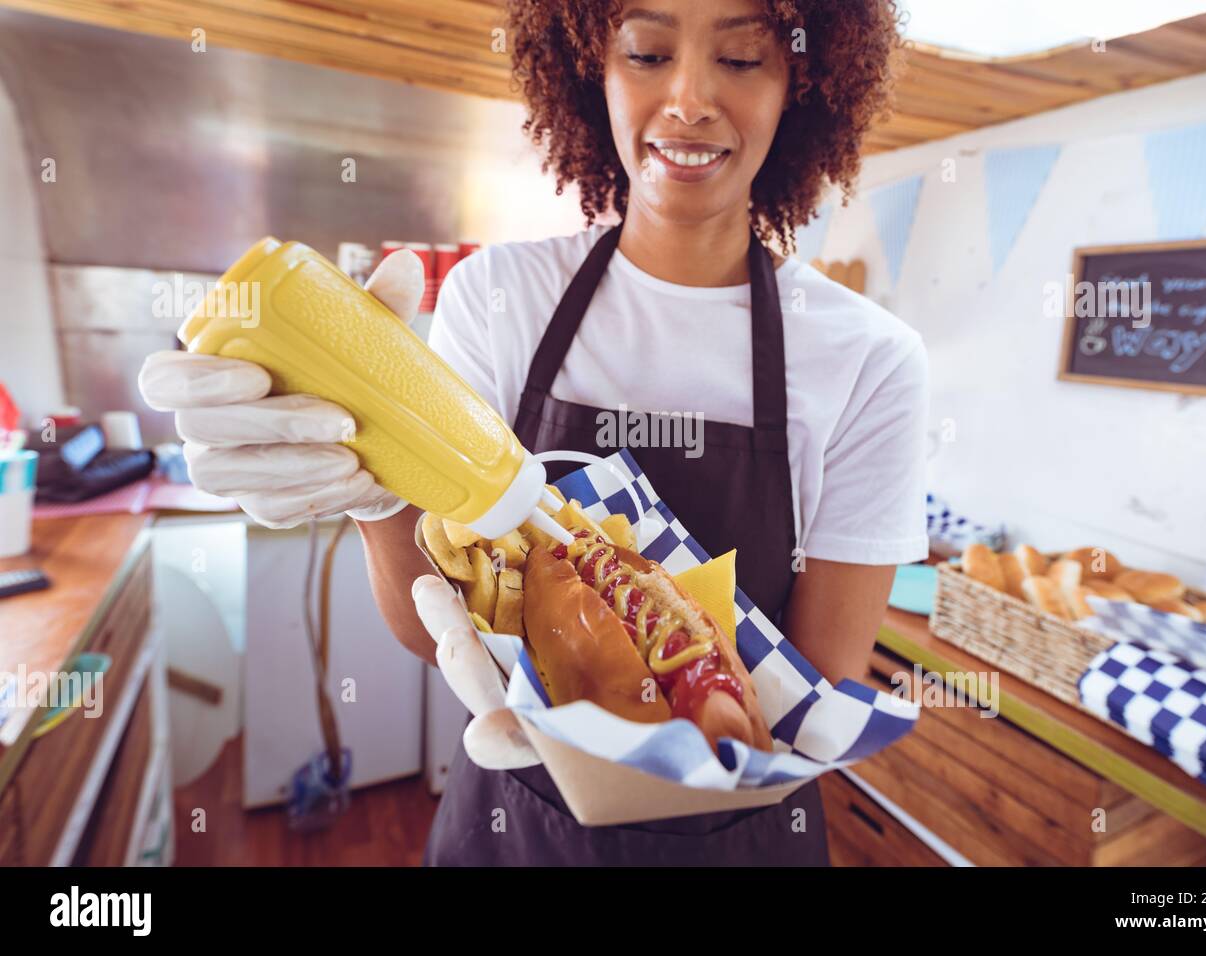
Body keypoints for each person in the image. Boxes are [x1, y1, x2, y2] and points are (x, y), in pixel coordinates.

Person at [140, 0, 924, 866]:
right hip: (514, 820)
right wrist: (370, 484)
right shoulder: (499, 294)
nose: (690, 97)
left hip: (742, 839)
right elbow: (428, 619)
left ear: (803, 88)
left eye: (742, 60)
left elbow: (809, 697)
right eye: (647, 52)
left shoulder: (869, 359)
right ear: (592, 70)